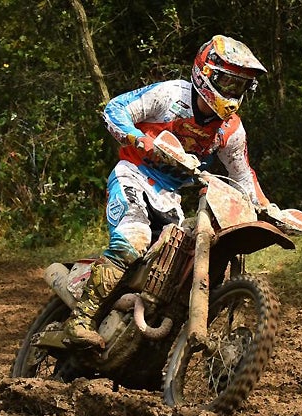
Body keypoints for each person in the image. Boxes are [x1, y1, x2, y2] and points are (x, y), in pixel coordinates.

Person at [64, 34, 273, 349]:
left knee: (173, 268)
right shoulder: (171, 95)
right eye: (227, 83)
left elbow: (243, 175)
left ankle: (140, 342)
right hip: (133, 175)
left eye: (240, 87)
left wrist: (268, 210)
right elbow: (115, 109)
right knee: (132, 242)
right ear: (206, 74)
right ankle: (79, 320)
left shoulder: (230, 130)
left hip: (170, 197)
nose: (232, 94)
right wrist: (141, 140)